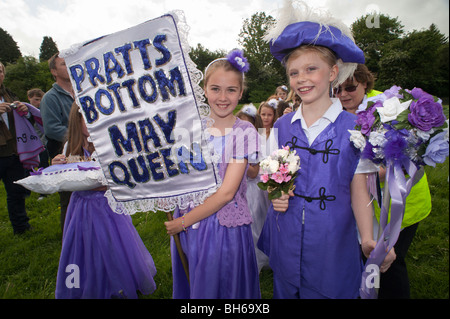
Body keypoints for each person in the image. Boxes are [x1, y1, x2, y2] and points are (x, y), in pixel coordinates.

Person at [257, 2, 396, 299]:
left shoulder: (355, 127)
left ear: (333, 72)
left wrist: (368, 238)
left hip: (333, 241)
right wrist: (276, 193)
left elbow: (360, 190)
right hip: (287, 236)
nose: (301, 78)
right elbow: (272, 172)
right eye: (294, 72)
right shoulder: (282, 125)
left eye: (311, 69)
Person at [164, 50, 261, 299]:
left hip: (222, 228)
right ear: (204, 89)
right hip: (188, 224)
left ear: (240, 93)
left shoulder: (244, 131)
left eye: (231, 90)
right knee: (195, 287)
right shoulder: (189, 127)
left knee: (221, 290)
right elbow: (178, 175)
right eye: (215, 88)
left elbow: (227, 193)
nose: (222, 97)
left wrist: (182, 223)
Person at [336, 64, 432, 299]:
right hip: (369, 205)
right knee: (368, 258)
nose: (343, 95)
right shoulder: (338, 111)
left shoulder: (387, 108)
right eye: (336, 89)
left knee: (390, 264)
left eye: (350, 87)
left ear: (365, 83)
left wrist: (367, 172)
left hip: (403, 203)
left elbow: (410, 154)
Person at [54, 102, 157, 299]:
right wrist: (56, 166)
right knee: (84, 245)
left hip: (107, 206)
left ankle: (120, 281)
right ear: (77, 120)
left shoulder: (107, 144)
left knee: (114, 244)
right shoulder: (70, 147)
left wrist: (98, 183)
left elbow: (118, 178)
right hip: (81, 207)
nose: (95, 122)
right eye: (89, 118)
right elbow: (64, 177)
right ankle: (85, 283)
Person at [40, 53, 74, 231]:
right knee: (68, 198)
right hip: (63, 153)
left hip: (86, 151)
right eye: (63, 64)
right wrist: (78, 136)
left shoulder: (81, 92)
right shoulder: (50, 98)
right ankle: (69, 242)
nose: (68, 66)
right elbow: (52, 129)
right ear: (54, 71)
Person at [237, 104, 271, 273]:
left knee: (254, 226)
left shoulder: (254, 146)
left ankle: (256, 261)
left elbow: (253, 173)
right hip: (236, 191)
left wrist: (237, 163)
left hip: (251, 191)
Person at [0, 61, 32, 235]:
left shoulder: (8, 94)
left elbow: (24, 118)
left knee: (16, 191)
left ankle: (21, 227)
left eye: (0, 71)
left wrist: (24, 110)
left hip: (12, 151)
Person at [27, 88, 49, 200]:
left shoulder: (43, 112)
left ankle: (44, 192)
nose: (38, 103)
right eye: (36, 100)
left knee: (43, 166)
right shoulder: (25, 113)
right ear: (29, 99)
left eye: (40, 100)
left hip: (43, 144)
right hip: (30, 144)